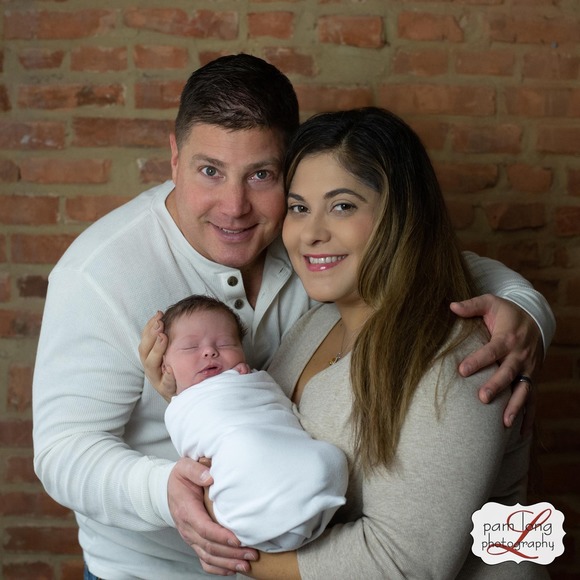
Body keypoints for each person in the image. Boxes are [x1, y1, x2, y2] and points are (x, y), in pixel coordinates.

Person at [31, 53, 554, 579]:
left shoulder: (312, 252)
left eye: (261, 175)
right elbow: (62, 451)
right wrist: (167, 489)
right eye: (210, 171)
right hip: (154, 570)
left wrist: (527, 315)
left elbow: (434, 256)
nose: (234, 206)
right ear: (174, 158)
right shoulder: (101, 274)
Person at [197, 107, 549, 579]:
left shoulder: (456, 359)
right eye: (299, 208)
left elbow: (405, 565)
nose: (311, 233)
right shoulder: (315, 324)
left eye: (342, 206)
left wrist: (232, 550)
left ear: (398, 216)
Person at [158, 294, 348, 553]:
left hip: (285, 455)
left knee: (331, 458)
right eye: (191, 347)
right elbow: (197, 445)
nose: (210, 351)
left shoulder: (258, 380)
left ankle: (299, 507)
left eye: (225, 343)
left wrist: (243, 381)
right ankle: (262, 517)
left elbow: (280, 411)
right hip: (242, 464)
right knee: (243, 447)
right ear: (165, 366)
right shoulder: (182, 406)